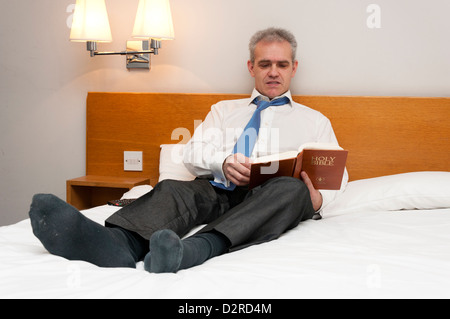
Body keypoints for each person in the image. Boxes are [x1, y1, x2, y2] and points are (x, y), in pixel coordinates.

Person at [29, 27, 348, 273]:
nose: (273, 72)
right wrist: (222, 161)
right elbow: (193, 151)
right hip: (219, 189)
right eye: (265, 64)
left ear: (294, 67)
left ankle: (195, 249)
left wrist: (318, 199)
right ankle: (116, 245)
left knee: (290, 190)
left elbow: (338, 172)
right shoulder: (224, 110)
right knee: (171, 189)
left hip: (271, 198)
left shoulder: (314, 120)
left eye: (281, 64)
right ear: (251, 67)